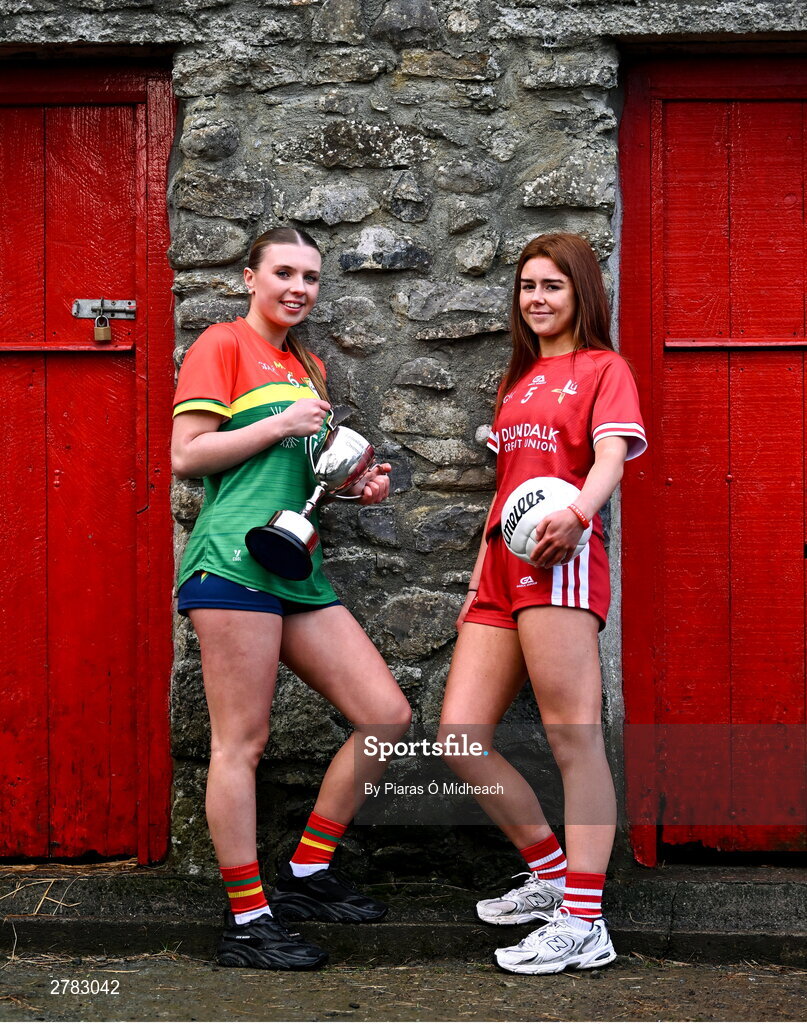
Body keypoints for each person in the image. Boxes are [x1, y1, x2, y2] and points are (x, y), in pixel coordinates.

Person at [171, 226, 411, 971]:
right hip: (234, 563)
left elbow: (302, 474)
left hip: (294, 564)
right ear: (250, 278)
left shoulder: (306, 363)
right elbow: (186, 455)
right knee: (240, 744)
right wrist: (279, 422)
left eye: (309, 276)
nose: (297, 288)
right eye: (282, 272)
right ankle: (247, 921)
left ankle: (306, 873)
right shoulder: (223, 344)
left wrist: (355, 483)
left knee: (385, 716)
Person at [438, 233, 646, 975]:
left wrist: (579, 516)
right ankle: (553, 876)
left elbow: (611, 459)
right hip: (498, 571)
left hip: (559, 564)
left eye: (551, 285)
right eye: (527, 285)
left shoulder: (603, 368)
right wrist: (474, 578)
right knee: (460, 736)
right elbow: (505, 491)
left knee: (572, 740)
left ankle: (585, 922)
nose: (536, 298)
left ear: (579, 292)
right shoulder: (517, 381)